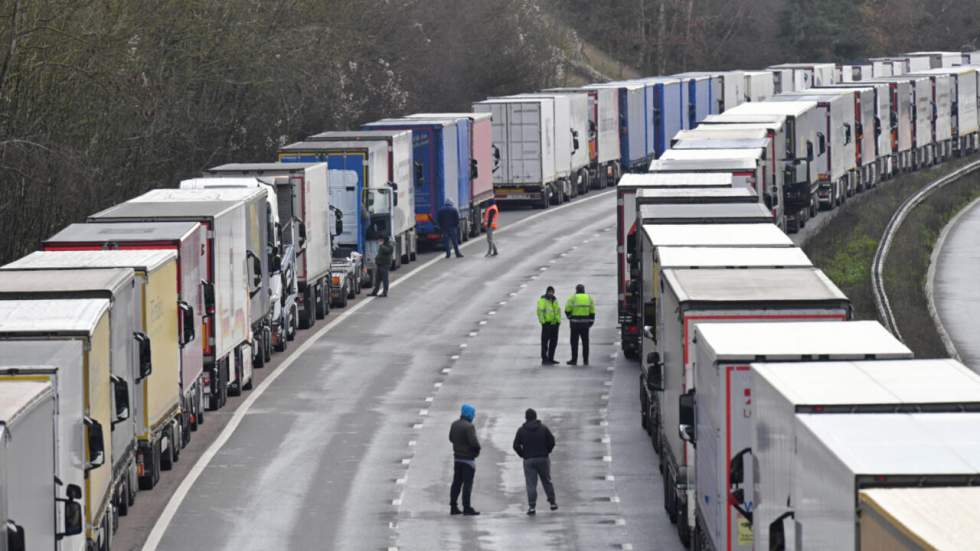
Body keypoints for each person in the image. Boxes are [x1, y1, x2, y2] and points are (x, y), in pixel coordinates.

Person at [512, 408, 557, 516]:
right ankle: (552, 503)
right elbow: (552, 441)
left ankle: (532, 507)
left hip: (529, 460)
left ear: (526, 418)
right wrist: (547, 451)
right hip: (543, 458)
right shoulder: (543, 428)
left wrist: (523, 455)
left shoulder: (521, 430)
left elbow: (515, 445)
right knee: (547, 481)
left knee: (531, 484)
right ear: (536, 417)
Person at [449, 403, 481, 516]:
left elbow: (451, 438)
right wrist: (477, 451)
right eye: (473, 414)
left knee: (456, 483)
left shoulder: (454, 424)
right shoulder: (469, 426)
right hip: (468, 460)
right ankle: (466, 507)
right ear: (470, 414)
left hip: (457, 458)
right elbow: (474, 443)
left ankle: (453, 506)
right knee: (467, 484)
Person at [564, 283, 595, 365]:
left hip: (575, 324)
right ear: (584, 290)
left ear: (576, 290)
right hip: (585, 324)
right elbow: (592, 311)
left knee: (574, 343)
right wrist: (591, 322)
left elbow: (567, 310)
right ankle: (586, 360)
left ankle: (574, 360)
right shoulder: (588, 298)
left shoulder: (573, 298)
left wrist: (571, 318)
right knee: (585, 343)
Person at [537, 286, 561, 365]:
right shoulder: (543, 300)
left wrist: (558, 321)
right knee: (545, 342)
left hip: (555, 324)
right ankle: (544, 359)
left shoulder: (555, 300)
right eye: (550, 292)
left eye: (552, 292)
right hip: (547, 324)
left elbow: (558, 311)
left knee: (553, 342)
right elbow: (540, 311)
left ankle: (551, 358)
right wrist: (543, 322)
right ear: (547, 292)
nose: (551, 293)